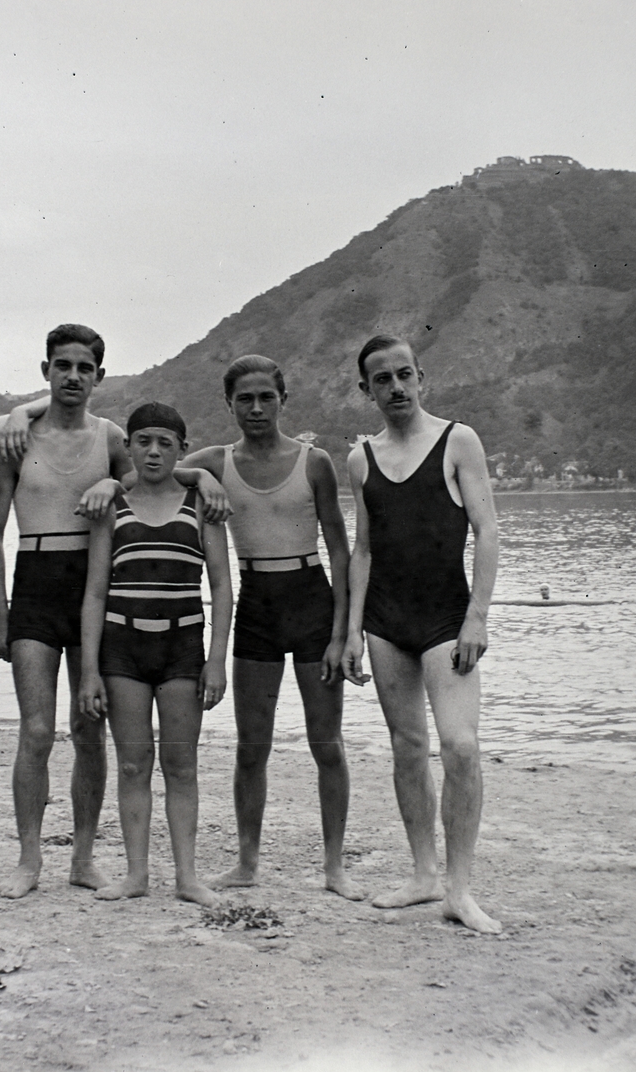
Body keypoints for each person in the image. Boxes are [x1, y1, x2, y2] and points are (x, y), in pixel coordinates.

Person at [0, 325, 230, 900]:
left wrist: (201, 474)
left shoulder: (112, 435)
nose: (73, 375)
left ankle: (84, 857)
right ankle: (27, 861)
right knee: (38, 730)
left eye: (84, 367)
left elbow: (154, 475)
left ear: (98, 374)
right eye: (62, 366)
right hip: (37, 580)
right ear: (46, 369)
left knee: (89, 729)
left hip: (98, 584)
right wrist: (0, 612)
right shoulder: (15, 436)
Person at [164, 355, 362, 899]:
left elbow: (341, 552)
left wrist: (346, 632)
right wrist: (201, 474)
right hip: (256, 606)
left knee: (328, 743)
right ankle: (247, 862)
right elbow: (146, 470)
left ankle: (334, 866)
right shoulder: (216, 462)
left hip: (311, 600)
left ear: (283, 399)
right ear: (229, 404)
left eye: (265, 397)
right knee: (253, 746)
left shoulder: (314, 461)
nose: (255, 408)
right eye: (244, 399)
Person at [341, 335, 502, 934]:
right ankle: (423, 875)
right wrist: (354, 629)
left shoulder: (458, 440)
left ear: (421, 377)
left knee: (459, 746)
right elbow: (363, 549)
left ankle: (460, 889)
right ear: (366, 390)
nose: (396, 388)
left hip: (444, 618)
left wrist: (477, 616)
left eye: (405, 375)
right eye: (382, 380)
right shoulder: (361, 458)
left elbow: (486, 530)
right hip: (385, 622)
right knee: (407, 747)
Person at [76, 403, 232, 905]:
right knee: (132, 765)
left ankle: (187, 878)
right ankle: (137, 875)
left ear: (183, 449)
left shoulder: (201, 505)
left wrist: (216, 660)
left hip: (182, 648)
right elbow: (96, 593)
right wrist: (89, 672)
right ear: (129, 447)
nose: (154, 451)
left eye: (166, 442)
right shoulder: (113, 509)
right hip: (123, 650)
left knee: (181, 765)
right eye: (143, 441)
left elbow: (224, 589)